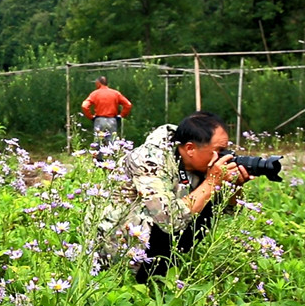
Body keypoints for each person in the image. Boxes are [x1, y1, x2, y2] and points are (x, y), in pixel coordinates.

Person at [96, 111, 252, 283]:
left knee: (208, 200)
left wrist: (234, 186)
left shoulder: (198, 162)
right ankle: (141, 278)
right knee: (202, 194)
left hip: (160, 231)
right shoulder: (149, 158)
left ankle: (167, 270)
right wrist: (211, 182)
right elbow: (167, 219)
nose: (225, 156)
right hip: (116, 241)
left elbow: (230, 211)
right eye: (220, 151)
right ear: (190, 148)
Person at [81, 76, 132, 142]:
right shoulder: (115, 93)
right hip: (112, 120)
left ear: (98, 83)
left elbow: (84, 106)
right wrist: (122, 115)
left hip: (99, 120)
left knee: (98, 142)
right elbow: (128, 104)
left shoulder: (94, 94)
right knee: (112, 143)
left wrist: (90, 117)